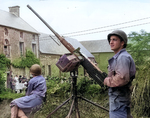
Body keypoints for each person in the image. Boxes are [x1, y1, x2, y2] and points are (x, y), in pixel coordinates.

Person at [104, 30, 136, 118]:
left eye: (114, 39)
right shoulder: (119, 57)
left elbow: (121, 79)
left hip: (119, 103)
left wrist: (107, 80)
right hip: (119, 101)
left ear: (122, 42)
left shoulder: (122, 57)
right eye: (110, 40)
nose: (111, 42)